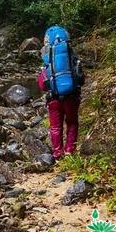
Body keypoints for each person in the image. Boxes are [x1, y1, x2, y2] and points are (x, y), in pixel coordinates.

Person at [37, 26, 84, 160]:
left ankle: (58, 153)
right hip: (72, 97)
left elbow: (42, 85)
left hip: (54, 99)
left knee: (55, 127)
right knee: (72, 123)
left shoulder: (48, 58)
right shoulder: (71, 56)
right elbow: (81, 79)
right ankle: (70, 150)